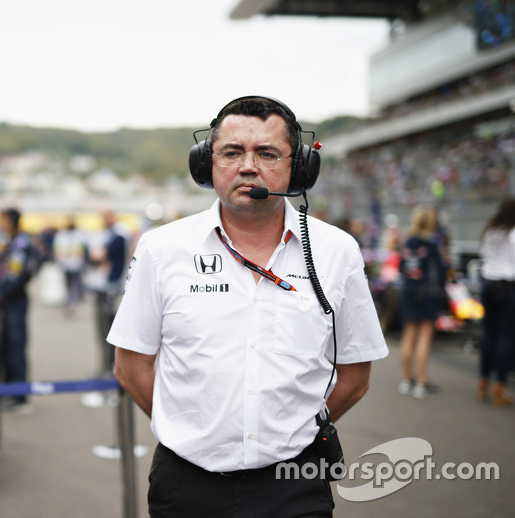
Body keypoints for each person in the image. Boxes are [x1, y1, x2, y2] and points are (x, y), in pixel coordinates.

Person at [108, 96, 388, 517]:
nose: (247, 165)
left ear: (299, 166)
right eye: (232, 152)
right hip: (186, 483)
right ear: (207, 163)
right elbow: (130, 366)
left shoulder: (336, 250)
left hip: (296, 484)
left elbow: (355, 372)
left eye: (267, 153)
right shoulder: (162, 248)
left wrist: (293, 429)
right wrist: (193, 430)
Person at [397, 205, 446, 399]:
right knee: (424, 336)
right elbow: (441, 271)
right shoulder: (432, 244)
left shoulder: (407, 243)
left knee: (408, 335)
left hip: (408, 292)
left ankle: (407, 380)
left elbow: (402, 267)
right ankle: (421, 383)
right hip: (426, 295)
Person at [0, 208, 40, 412]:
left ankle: (19, 396)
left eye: (3, 220)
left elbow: (15, 275)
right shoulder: (10, 241)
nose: (1, 225)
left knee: (15, 346)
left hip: (14, 300)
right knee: (6, 346)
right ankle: (10, 390)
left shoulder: (21, 243)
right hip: (8, 299)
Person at [478, 197, 515, 407]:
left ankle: (483, 379)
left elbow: (484, 256)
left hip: (488, 284)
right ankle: (499, 384)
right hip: (506, 286)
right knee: (505, 335)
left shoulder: (492, 231)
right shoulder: (512, 233)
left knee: (489, 334)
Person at [89, 209, 128, 378]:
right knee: (104, 331)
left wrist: (98, 255)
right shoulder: (112, 234)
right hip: (107, 286)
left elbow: (98, 255)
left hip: (111, 288)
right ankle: (107, 366)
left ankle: (111, 368)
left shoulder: (118, 235)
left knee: (108, 331)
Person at [52, 217, 88, 315]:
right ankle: (69, 301)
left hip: (74, 264)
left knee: (72, 284)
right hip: (68, 264)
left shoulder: (75, 234)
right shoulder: (66, 235)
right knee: (69, 284)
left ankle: (70, 302)